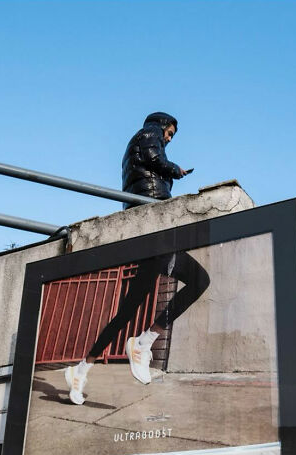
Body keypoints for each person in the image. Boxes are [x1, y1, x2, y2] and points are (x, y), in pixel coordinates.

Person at [65, 112, 210, 405]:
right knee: (199, 280)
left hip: (147, 228)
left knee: (128, 309)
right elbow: (155, 160)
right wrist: (176, 170)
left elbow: (148, 169)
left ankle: (82, 368)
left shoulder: (137, 144)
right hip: (155, 226)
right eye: (170, 134)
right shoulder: (149, 134)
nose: (168, 139)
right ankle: (144, 342)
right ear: (162, 124)